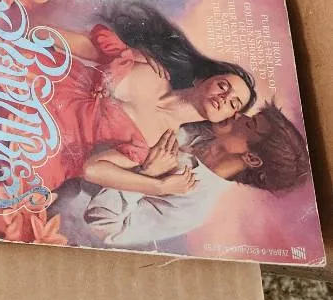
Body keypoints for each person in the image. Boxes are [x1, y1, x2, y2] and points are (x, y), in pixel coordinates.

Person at [33, 1, 257, 195]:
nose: (224, 96)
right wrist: (34, 33)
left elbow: (92, 170)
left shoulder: (159, 144)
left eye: (233, 103)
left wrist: (158, 186)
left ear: (226, 117)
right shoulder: (151, 69)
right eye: (223, 85)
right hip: (37, 81)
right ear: (202, 80)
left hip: (44, 142)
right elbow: (73, 43)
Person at [49, 104, 311, 249]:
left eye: (249, 124)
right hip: (63, 141)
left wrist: (149, 178)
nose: (240, 115)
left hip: (55, 206)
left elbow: (101, 225)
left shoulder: (195, 205)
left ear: (252, 159)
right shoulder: (200, 130)